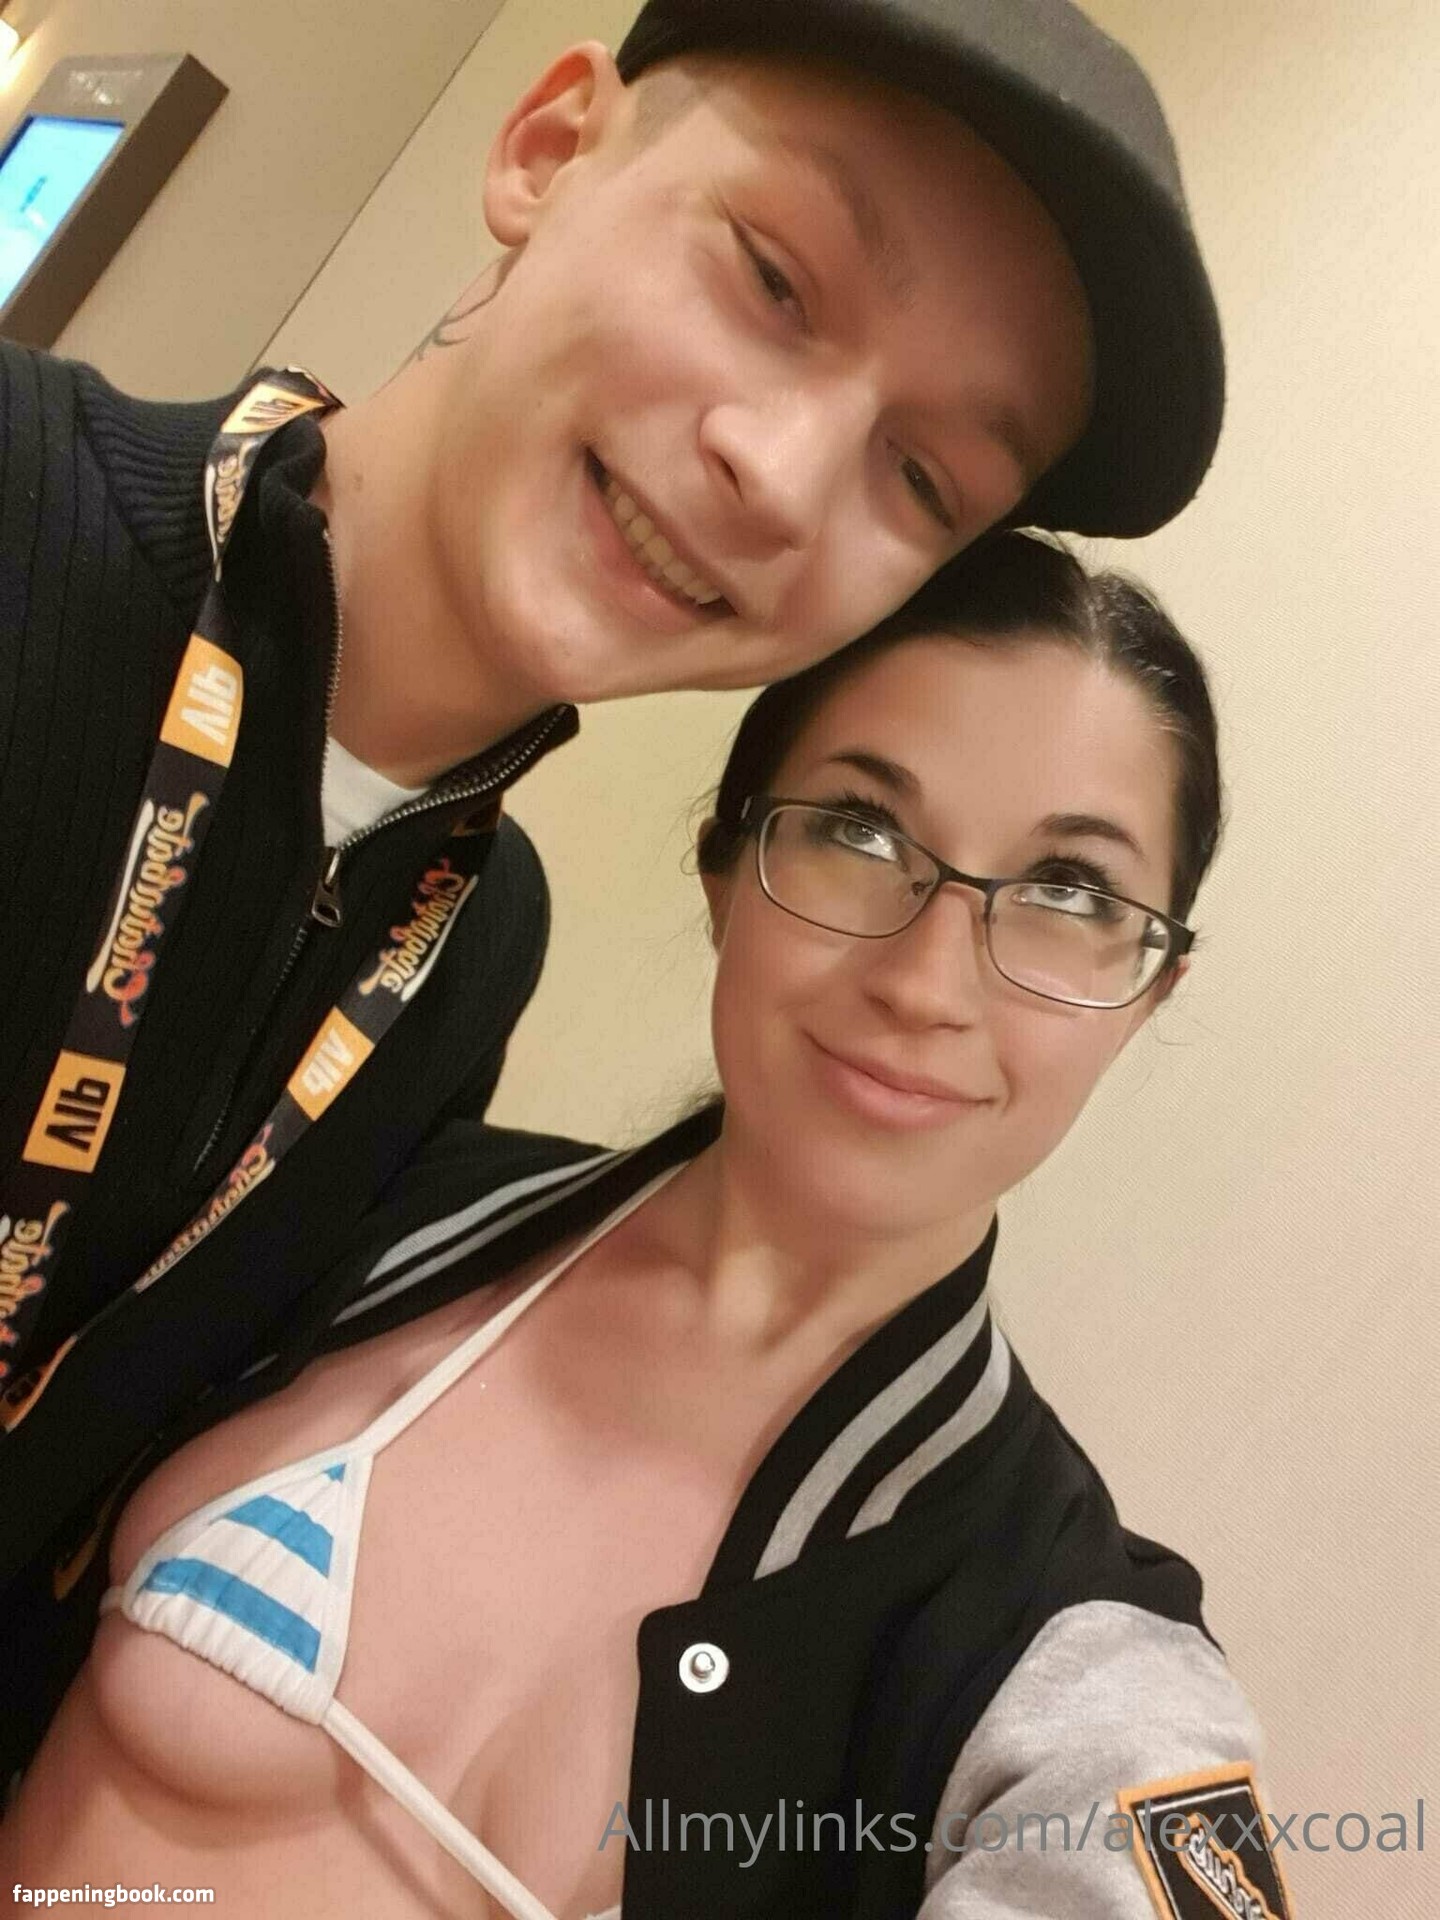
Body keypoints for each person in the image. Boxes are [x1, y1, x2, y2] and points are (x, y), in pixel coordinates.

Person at [0, 0, 1222, 1776]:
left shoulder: (462, 955)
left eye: (922, 476)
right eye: (774, 280)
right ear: (547, 149)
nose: (779, 476)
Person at [0, 535, 1294, 1920]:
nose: (928, 985)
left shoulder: (1068, 1655)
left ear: (1148, 991)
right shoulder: (371, 1193)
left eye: (1072, 892)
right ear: (725, 866)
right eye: (860, 830)